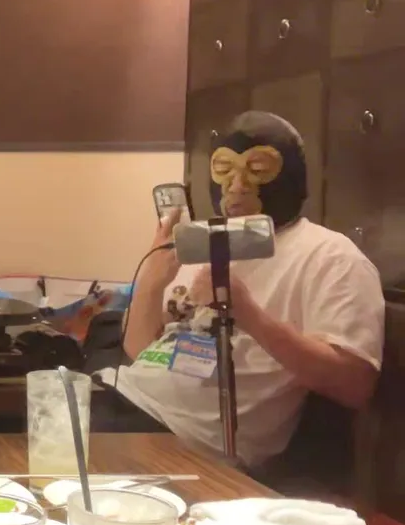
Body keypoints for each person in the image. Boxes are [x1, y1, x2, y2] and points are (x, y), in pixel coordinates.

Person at [112, 111, 385, 466]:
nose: (237, 186)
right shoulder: (204, 241)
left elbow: (354, 384)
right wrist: (152, 279)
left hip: (187, 438)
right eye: (224, 170)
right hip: (124, 398)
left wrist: (248, 314)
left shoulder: (331, 256)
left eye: (256, 170)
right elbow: (138, 351)